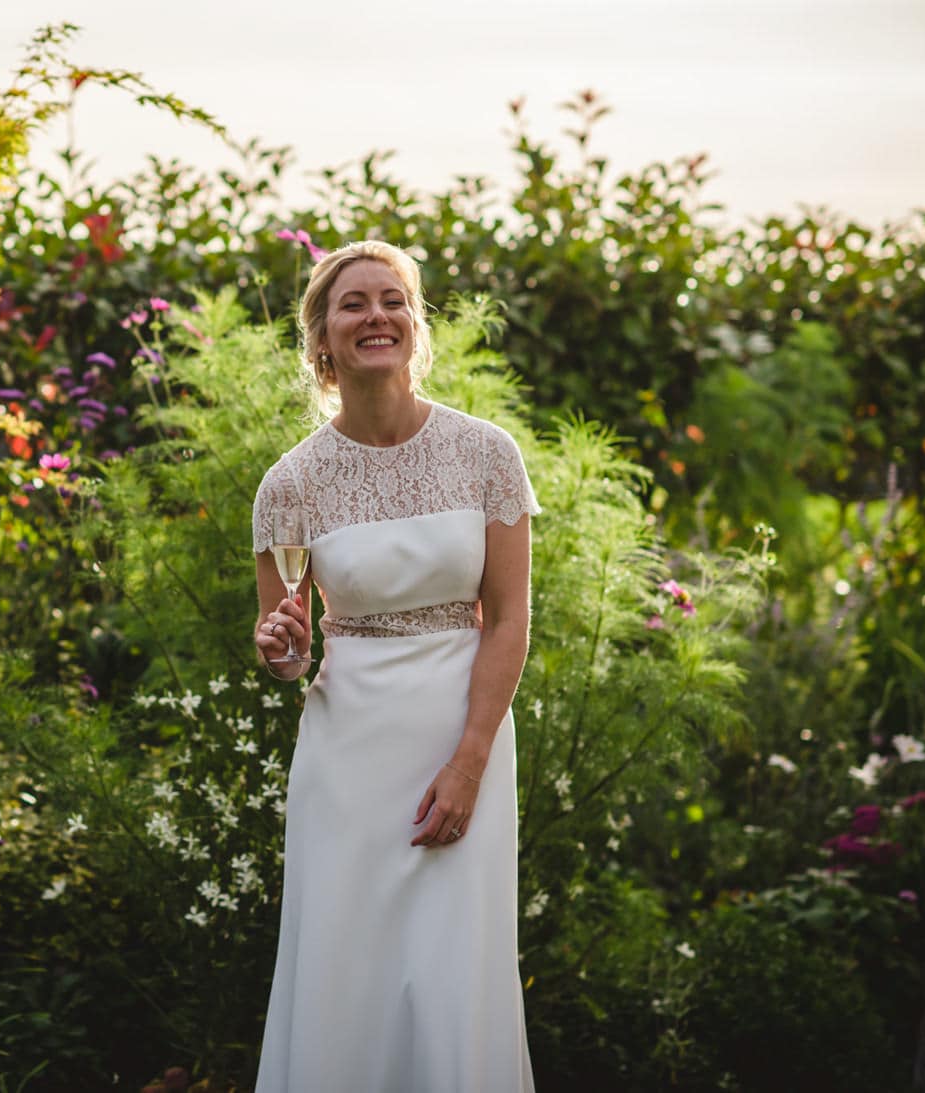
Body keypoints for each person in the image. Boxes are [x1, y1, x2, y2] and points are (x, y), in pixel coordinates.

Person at [250, 240, 538, 1091]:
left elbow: (511, 618)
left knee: (455, 971)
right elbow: (289, 649)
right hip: (348, 756)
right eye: (353, 304)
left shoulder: (488, 453)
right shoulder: (289, 484)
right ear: (322, 341)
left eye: (393, 300)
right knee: (346, 969)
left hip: (464, 739)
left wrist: (470, 760)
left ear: (416, 325)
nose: (376, 315)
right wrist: (282, 649)